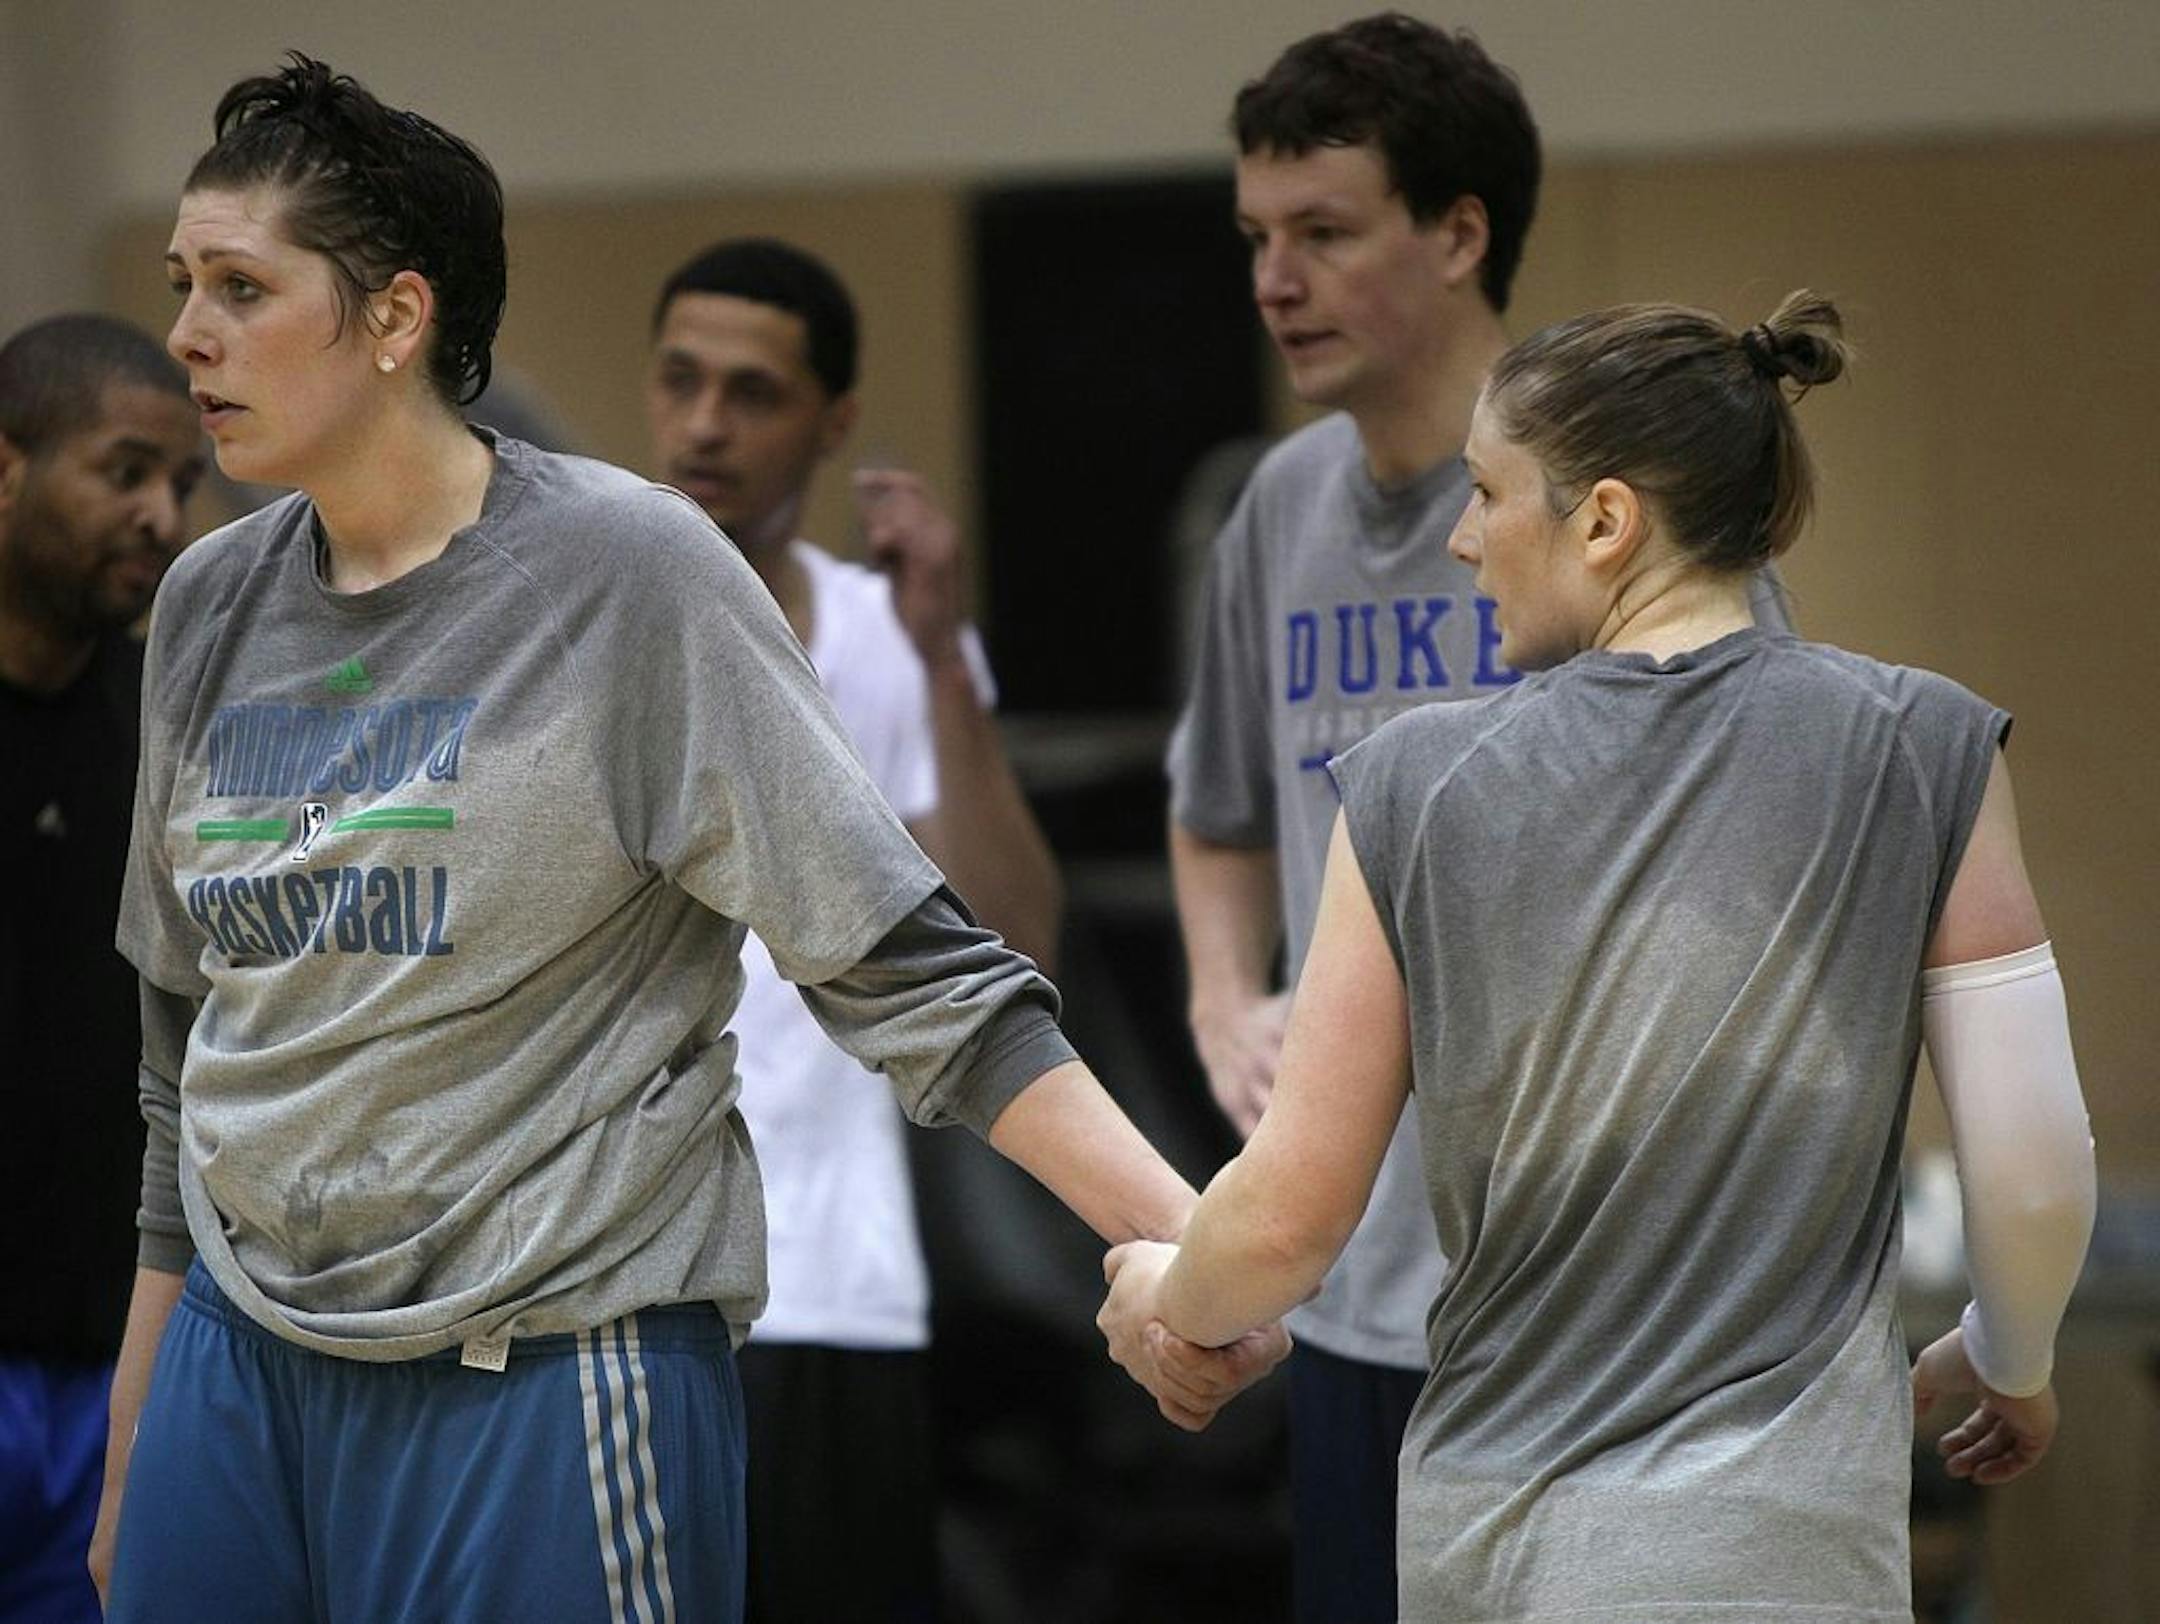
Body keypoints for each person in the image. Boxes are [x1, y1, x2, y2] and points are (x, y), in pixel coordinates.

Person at [91, 55, 1280, 1624]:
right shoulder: (206, 603)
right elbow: (186, 1072)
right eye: (185, 282)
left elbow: (914, 973)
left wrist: (1201, 1251)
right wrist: (133, 1456)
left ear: (396, 319)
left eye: (242, 286)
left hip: (542, 1370)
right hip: (237, 1373)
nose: (187, 334)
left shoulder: (625, 572)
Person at [1107, 291, 2098, 1619]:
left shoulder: (1411, 784)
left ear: (1607, 519)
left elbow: (1287, 1220)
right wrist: (2009, 1353)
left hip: (1502, 1546)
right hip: (1789, 1559)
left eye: (1485, 494)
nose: (1462, 542)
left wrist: (1173, 1287)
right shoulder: (1926, 747)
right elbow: (2033, 1165)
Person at [1168, 18, 1798, 1617]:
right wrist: (1223, 996)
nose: (1273, 279)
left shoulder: (1623, 506)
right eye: (1255, 237)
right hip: (1356, 1289)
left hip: (1586, 1305)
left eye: (1323, 232)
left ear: (1458, 233)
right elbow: (1218, 806)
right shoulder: (1276, 510)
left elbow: (1748, 855)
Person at [644, 236, 1062, 1622]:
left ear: (831, 422)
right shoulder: (583, 610)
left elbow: (1014, 942)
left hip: (827, 1278)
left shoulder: (894, 636)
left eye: (753, 393)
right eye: (683, 382)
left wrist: (945, 657)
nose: (707, 423)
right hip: (609, 1271)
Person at [0, 315, 200, 1624]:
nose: (162, 518)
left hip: (106, 1375)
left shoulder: (170, 728)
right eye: (123, 473)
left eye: (180, 482)